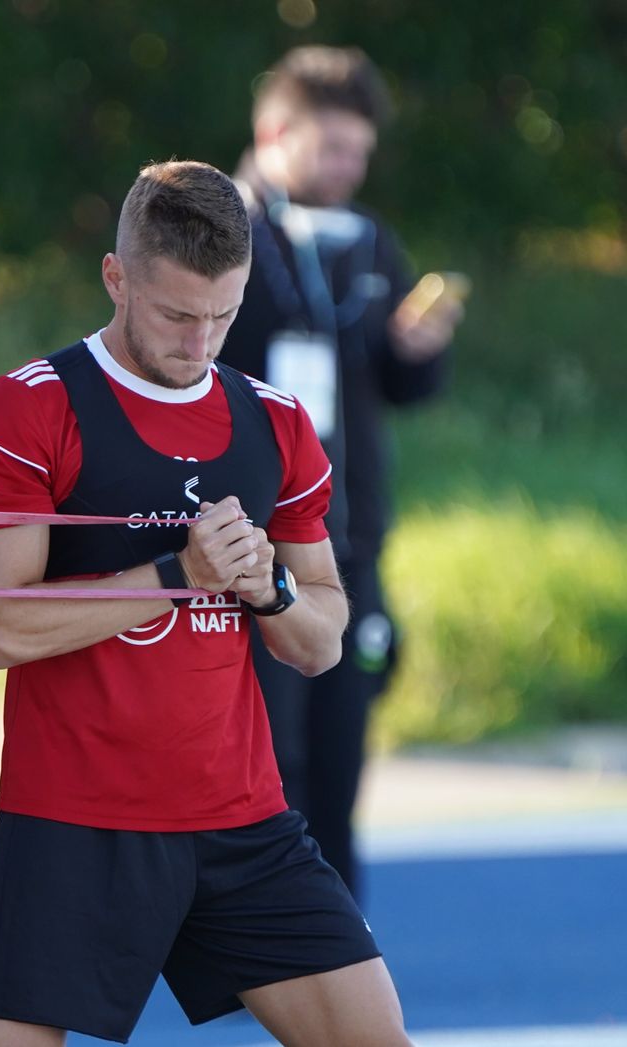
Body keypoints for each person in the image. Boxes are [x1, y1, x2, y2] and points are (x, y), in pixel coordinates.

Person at [0, 160, 411, 1046]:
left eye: (223, 315)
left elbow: (317, 643)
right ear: (116, 277)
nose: (201, 342)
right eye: (175, 315)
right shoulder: (22, 411)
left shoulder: (274, 423)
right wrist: (173, 575)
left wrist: (265, 583)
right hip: (73, 821)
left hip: (242, 817)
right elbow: (3, 625)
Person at [219, 46, 462, 899]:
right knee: (267, 759)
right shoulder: (223, 230)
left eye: (358, 151)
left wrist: (417, 352)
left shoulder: (370, 241)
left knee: (339, 756)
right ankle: (260, 950)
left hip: (349, 544)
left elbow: (402, 386)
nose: (348, 168)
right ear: (273, 130)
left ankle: (338, 955)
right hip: (254, 548)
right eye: (331, 148)